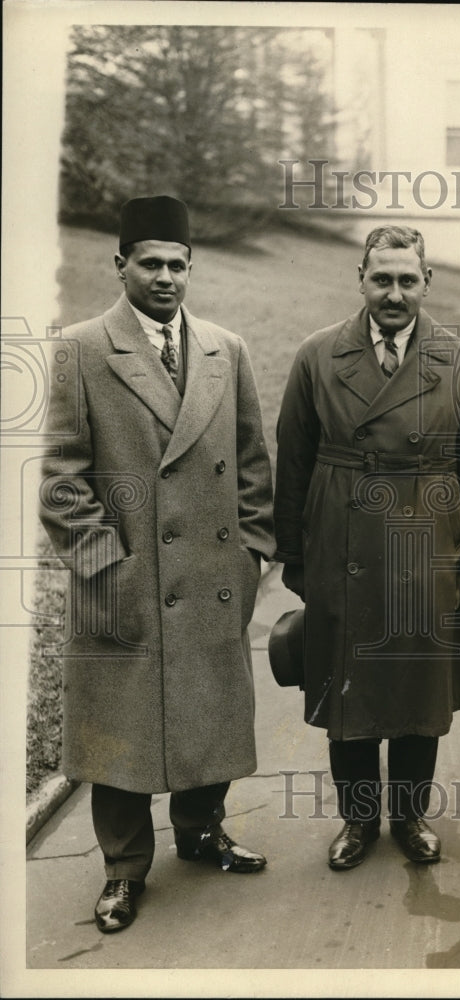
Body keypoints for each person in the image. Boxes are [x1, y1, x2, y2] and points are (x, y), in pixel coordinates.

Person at [39, 195, 276, 931]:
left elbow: (251, 467)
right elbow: (60, 480)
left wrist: (252, 556)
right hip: (125, 581)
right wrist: (107, 568)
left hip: (210, 581)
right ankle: (122, 870)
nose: (166, 276)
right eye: (151, 263)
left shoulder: (224, 349)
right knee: (123, 734)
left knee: (208, 718)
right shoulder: (81, 349)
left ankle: (203, 832)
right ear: (120, 266)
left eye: (178, 264)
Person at [274, 225, 460, 869]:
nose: (394, 293)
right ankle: (357, 821)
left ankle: (411, 816)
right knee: (349, 688)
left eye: (407, 280)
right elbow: (294, 460)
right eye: (382, 278)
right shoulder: (318, 354)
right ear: (360, 279)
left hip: (429, 545)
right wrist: (294, 556)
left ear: (428, 282)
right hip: (343, 536)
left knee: (416, 688)